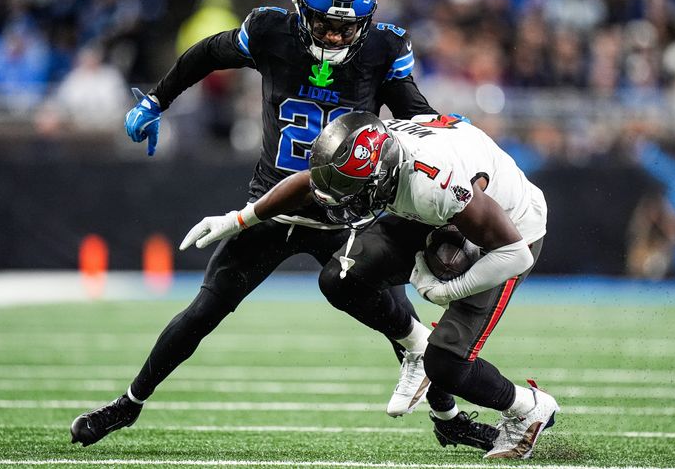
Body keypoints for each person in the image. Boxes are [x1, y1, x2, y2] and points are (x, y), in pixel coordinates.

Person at [71, 0, 493, 449]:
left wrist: (450, 141)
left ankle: (447, 419)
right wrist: (156, 99)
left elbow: (416, 115)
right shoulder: (272, 32)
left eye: (346, 27)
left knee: (401, 326)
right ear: (301, 10)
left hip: (345, 214)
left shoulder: (382, 49)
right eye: (325, 24)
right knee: (203, 311)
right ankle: (128, 404)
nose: (335, 36)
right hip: (272, 205)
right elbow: (208, 52)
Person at [183, 111, 559, 459]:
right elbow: (308, 183)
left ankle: (528, 408)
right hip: (441, 208)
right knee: (341, 279)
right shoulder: (376, 154)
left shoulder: (434, 184)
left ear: (382, 176)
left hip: (511, 233)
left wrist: (446, 292)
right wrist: (238, 220)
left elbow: (515, 254)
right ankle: (415, 346)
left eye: (353, 189)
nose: (343, 199)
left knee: (447, 366)